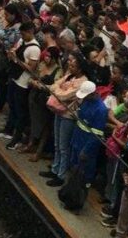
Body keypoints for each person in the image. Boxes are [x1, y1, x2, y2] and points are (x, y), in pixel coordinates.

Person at [41, 55, 88, 186]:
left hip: (68, 115)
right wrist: (59, 89)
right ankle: (55, 168)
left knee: (64, 146)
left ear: (80, 69)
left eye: (73, 66)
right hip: (58, 111)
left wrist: (59, 90)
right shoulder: (69, 76)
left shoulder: (82, 82)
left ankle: (61, 175)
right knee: (57, 143)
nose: (70, 68)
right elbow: (55, 85)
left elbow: (65, 95)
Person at [68, 80, 108, 186]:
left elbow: (97, 134)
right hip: (77, 140)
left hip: (87, 145)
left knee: (85, 174)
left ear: (92, 93)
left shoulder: (101, 110)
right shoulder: (86, 101)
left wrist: (86, 150)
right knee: (73, 168)